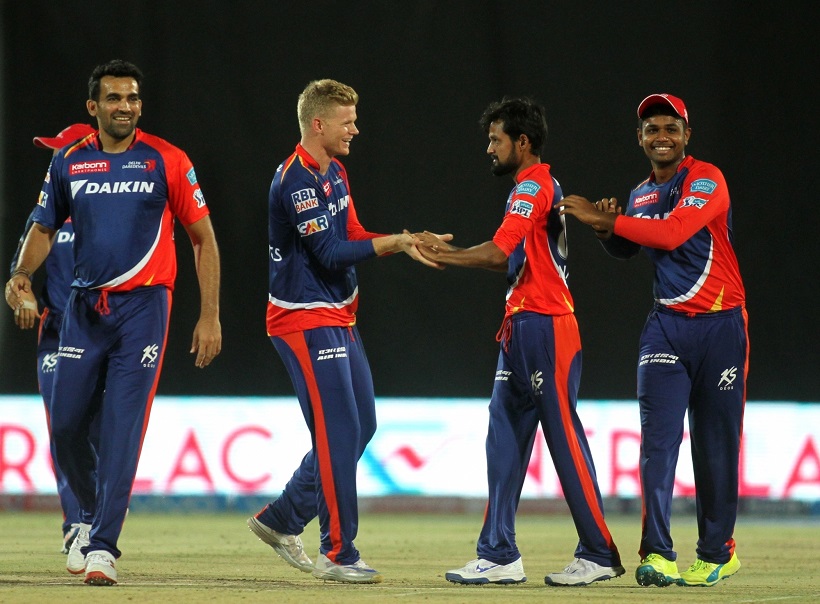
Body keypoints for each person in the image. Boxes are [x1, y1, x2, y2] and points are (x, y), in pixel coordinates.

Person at [5, 59, 222, 586]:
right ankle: (80, 518)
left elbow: (204, 239)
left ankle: (102, 545)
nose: (124, 106)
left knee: (123, 430)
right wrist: (20, 275)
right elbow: (42, 227)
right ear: (94, 107)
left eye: (132, 99)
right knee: (63, 426)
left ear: (139, 105)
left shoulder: (166, 159)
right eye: (113, 99)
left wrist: (210, 315)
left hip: (144, 310)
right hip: (83, 309)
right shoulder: (69, 163)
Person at [416, 97, 624, 587]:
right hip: (521, 326)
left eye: (496, 140)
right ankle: (499, 553)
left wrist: (443, 255)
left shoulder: (532, 185)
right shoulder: (529, 188)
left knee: (562, 436)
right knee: (503, 437)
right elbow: (512, 260)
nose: (489, 148)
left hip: (547, 325)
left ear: (522, 142)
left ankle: (599, 552)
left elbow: (496, 254)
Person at [247, 78, 441, 584]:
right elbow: (330, 253)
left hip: (336, 315)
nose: (356, 129)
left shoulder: (334, 171)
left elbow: (350, 234)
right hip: (302, 319)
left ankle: (283, 519)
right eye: (347, 121)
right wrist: (395, 243)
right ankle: (338, 553)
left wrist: (403, 239)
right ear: (318, 124)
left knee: (360, 427)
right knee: (337, 432)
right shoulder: (295, 181)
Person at [557, 93, 747, 588]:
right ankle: (658, 553)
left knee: (715, 447)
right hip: (665, 327)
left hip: (721, 326)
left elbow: (672, 235)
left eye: (670, 128)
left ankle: (717, 552)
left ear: (687, 135)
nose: (661, 136)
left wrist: (601, 220)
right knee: (657, 445)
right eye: (651, 129)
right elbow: (632, 246)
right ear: (639, 139)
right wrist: (607, 233)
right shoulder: (640, 193)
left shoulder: (707, 179)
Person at [6, 123, 98, 555]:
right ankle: (76, 523)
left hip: (106, 334)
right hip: (56, 336)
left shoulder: (111, 208)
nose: (54, 159)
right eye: (52, 152)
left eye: (61, 150)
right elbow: (18, 274)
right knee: (64, 428)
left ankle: (99, 513)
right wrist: (20, 293)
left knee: (97, 434)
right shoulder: (45, 213)